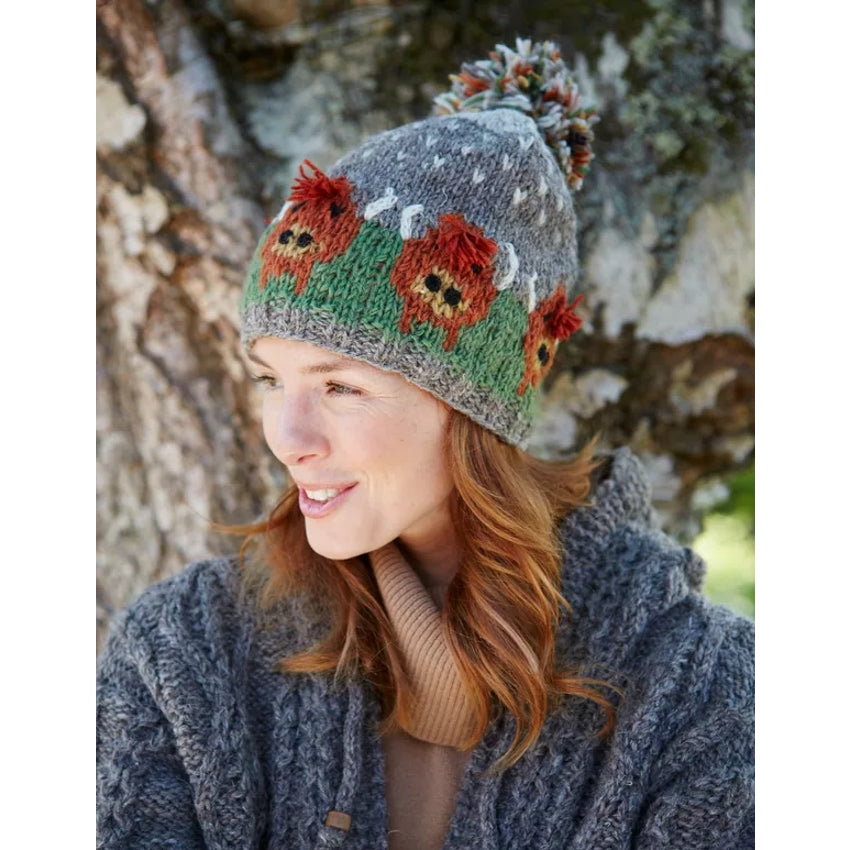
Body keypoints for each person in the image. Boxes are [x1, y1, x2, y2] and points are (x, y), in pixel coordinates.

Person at [96, 38, 754, 850]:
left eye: (340, 386)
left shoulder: (705, 692)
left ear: (472, 409)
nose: (286, 438)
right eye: (271, 379)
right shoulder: (186, 653)